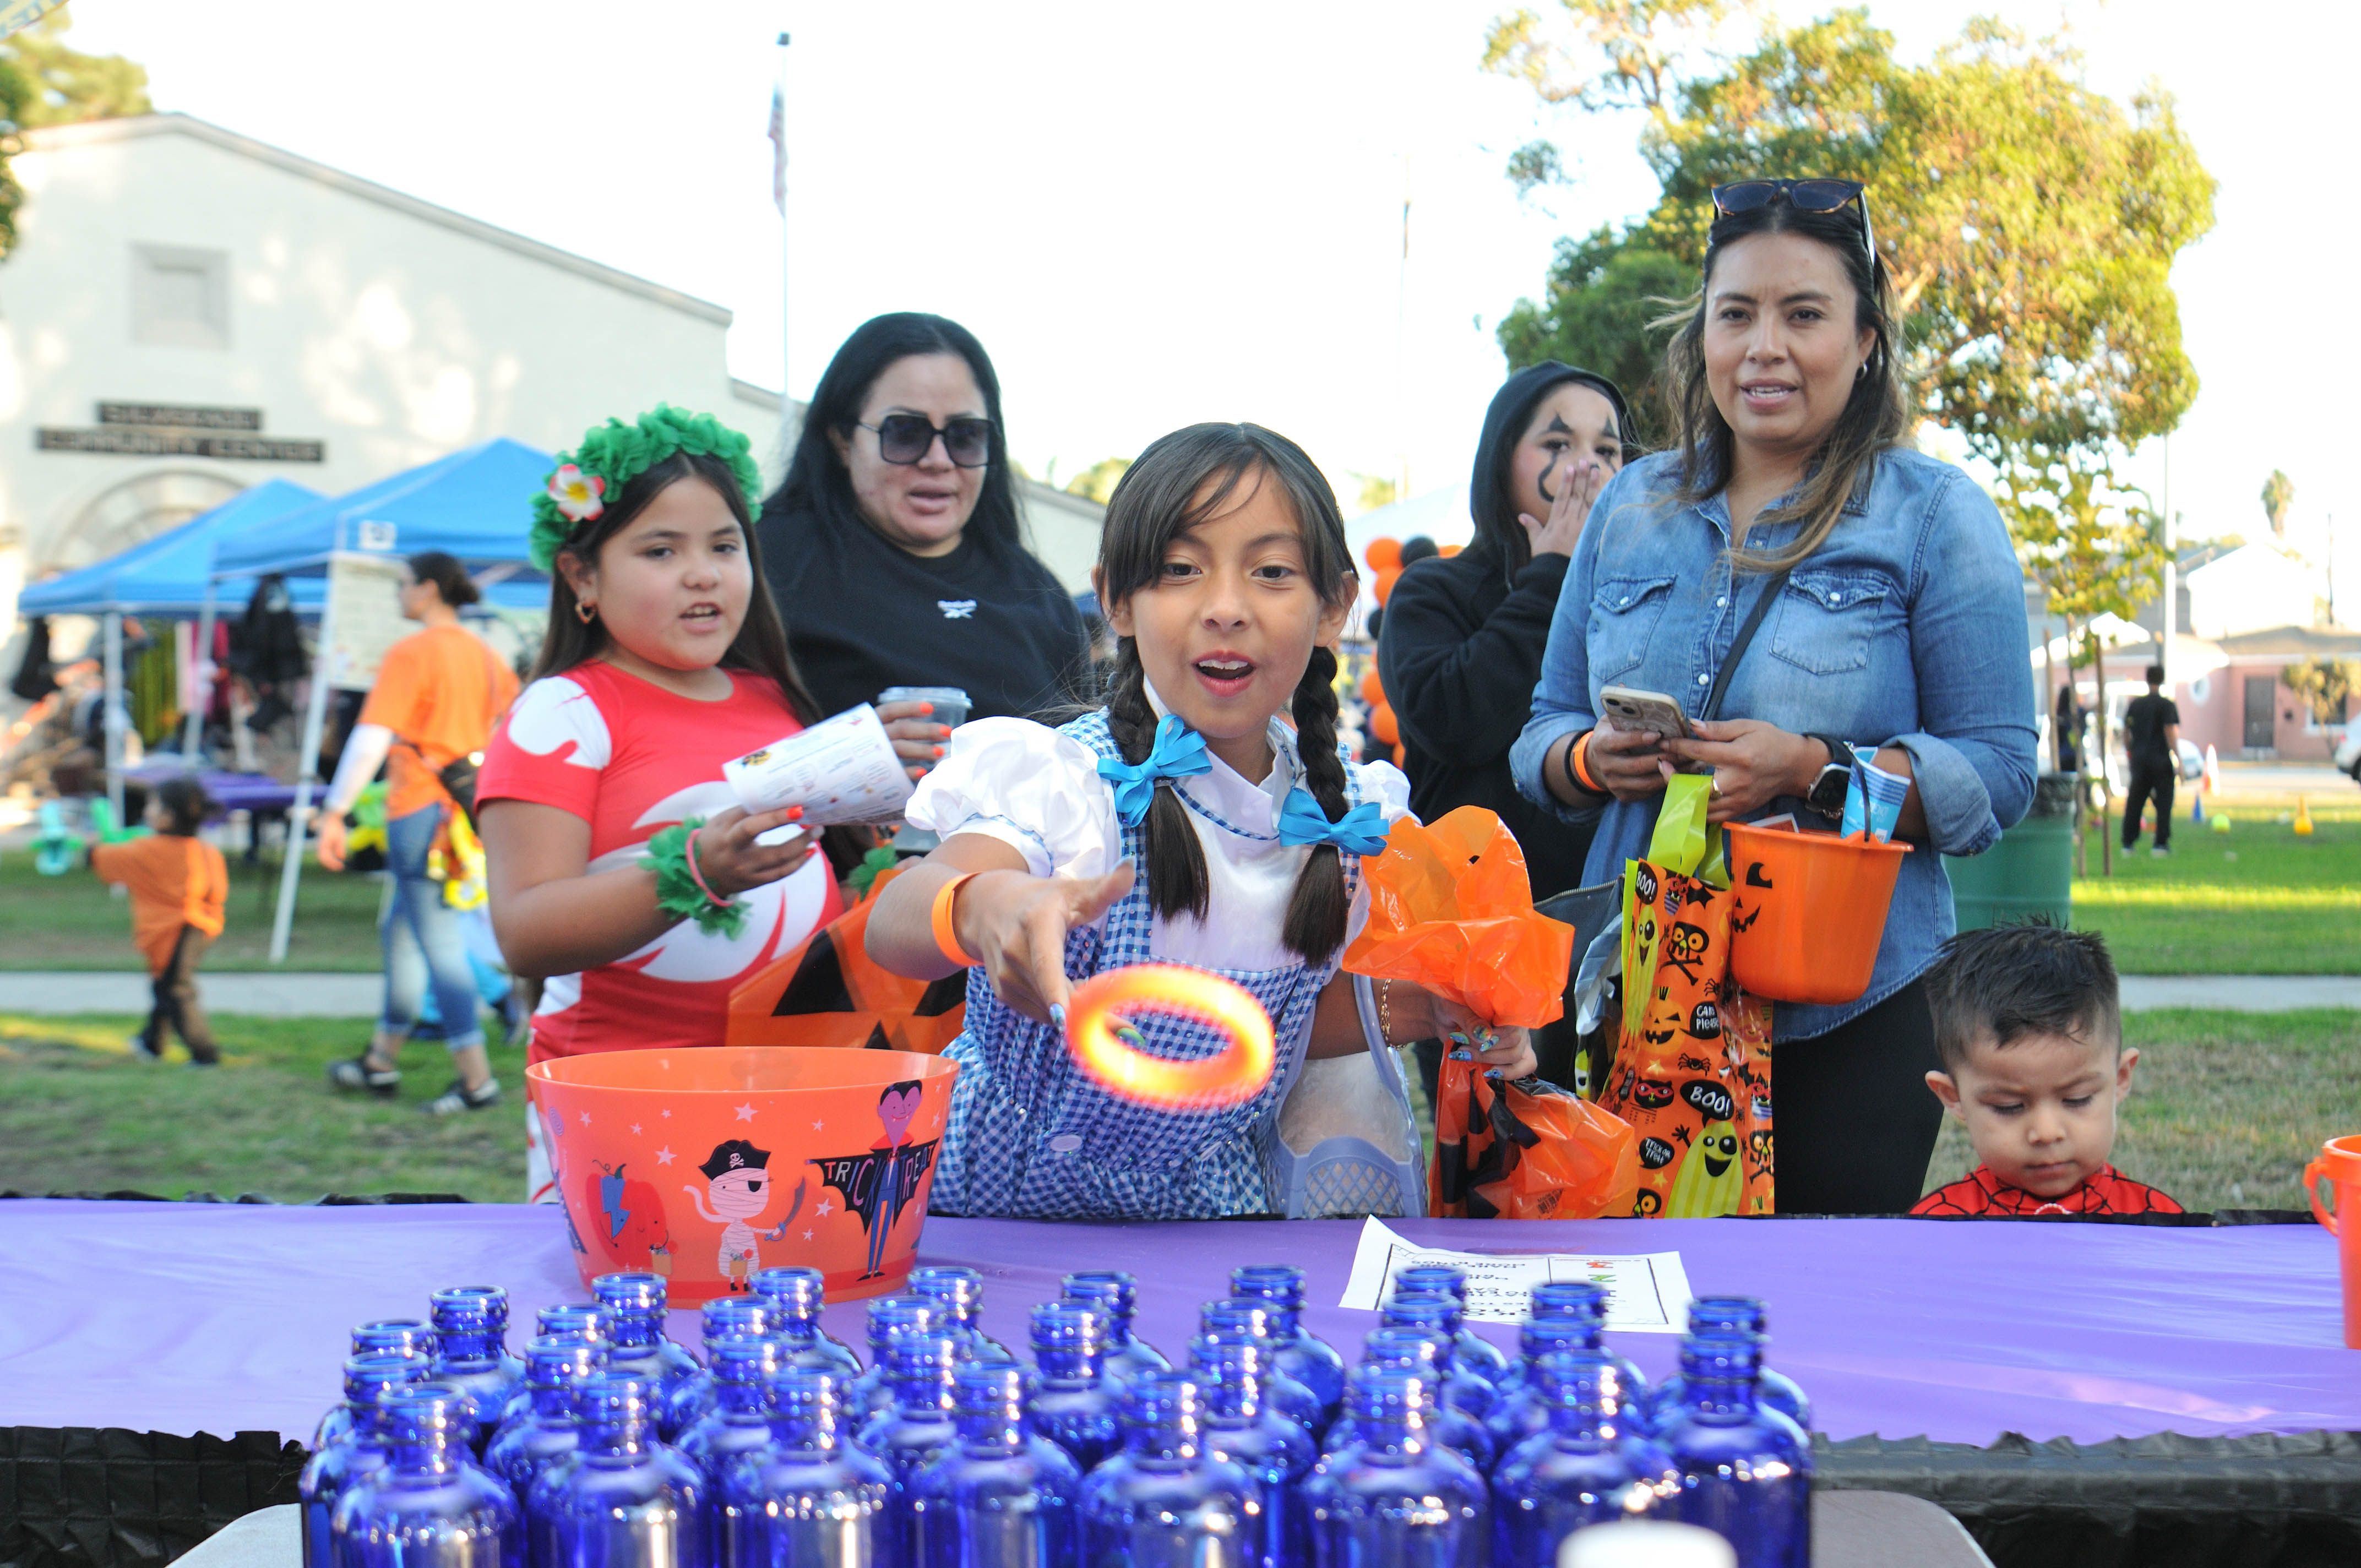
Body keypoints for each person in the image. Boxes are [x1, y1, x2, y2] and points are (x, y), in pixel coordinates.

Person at [1511, 177, 2037, 1215]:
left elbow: (1998, 773)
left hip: (1850, 1007)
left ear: (1865, 338)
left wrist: (1817, 772)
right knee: (1636, 1290)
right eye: (1736, 314)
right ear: (1700, 333)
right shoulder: (1629, 504)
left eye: (1803, 315)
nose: (1764, 347)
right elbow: (1538, 732)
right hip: (1639, 988)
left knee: (1819, 1312)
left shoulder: (1933, 516)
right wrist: (1587, 761)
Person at [865, 422, 1536, 1222]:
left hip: (1204, 1221)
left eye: (1272, 572)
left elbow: (1272, 1029)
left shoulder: (1351, 815)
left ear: (1335, 608)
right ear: (1117, 598)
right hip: (993, 1214)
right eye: (1181, 570)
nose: (1226, 608)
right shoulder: (1069, 779)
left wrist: (1436, 1010)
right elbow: (896, 918)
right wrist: (983, 908)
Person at [475, 405, 842, 1205]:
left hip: (785, 1101)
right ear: (581, 575)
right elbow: (524, 932)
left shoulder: (775, 701)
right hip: (620, 1106)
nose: (703, 573)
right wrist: (696, 871)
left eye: (724, 546)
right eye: (660, 550)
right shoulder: (564, 713)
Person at [758, 312, 1091, 793]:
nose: (938, 460)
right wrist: (846, 758)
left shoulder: (1037, 594)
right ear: (841, 440)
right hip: (837, 867)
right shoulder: (765, 563)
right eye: (905, 432)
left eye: (965, 436)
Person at [1379, 363, 1631, 906]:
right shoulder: (1433, 589)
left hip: (1601, 927)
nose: (1585, 466)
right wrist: (1549, 580)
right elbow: (1453, 722)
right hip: (1460, 930)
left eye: (1608, 451)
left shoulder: (1638, 601)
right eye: (1558, 443)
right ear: (1500, 461)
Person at [318, 551, 520, 1115]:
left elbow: (371, 738)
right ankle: (381, 1059)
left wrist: (334, 812)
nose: (397, 595)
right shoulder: (485, 655)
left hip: (419, 808)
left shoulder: (412, 652)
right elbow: (511, 730)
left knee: (437, 942)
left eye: (403, 585)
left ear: (429, 589)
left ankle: (475, 1079)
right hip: (459, 810)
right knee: (403, 930)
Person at [1911, 923, 2181, 1217]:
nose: (2046, 1132)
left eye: (2077, 1099)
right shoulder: (1935, 1229)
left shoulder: (2161, 1223)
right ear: (1954, 1096)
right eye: (2009, 1107)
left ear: (2120, 1079)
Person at [91, 775, 227, 1066]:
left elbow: (107, 860)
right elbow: (218, 890)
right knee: (164, 986)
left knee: (176, 990)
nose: (147, 810)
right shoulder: (206, 851)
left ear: (168, 817)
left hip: (176, 930)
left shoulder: (149, 850)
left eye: (153, 805)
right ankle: (151, 1042)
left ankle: (205, 1054)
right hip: (202, 927)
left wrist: (91, 848)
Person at [2121, 663, 2180, 856]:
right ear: (2162, 680)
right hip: (2161, 760)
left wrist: (2131, 752)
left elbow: (2126, 732)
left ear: (2147, 679)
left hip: (2140, 759)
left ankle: (2128, 843)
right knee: (2164, 802)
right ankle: (2160, 844)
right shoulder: (2167, 705)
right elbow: (2169, 731)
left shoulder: (2135, 705)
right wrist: (2177, 757)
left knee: (2135, 801)